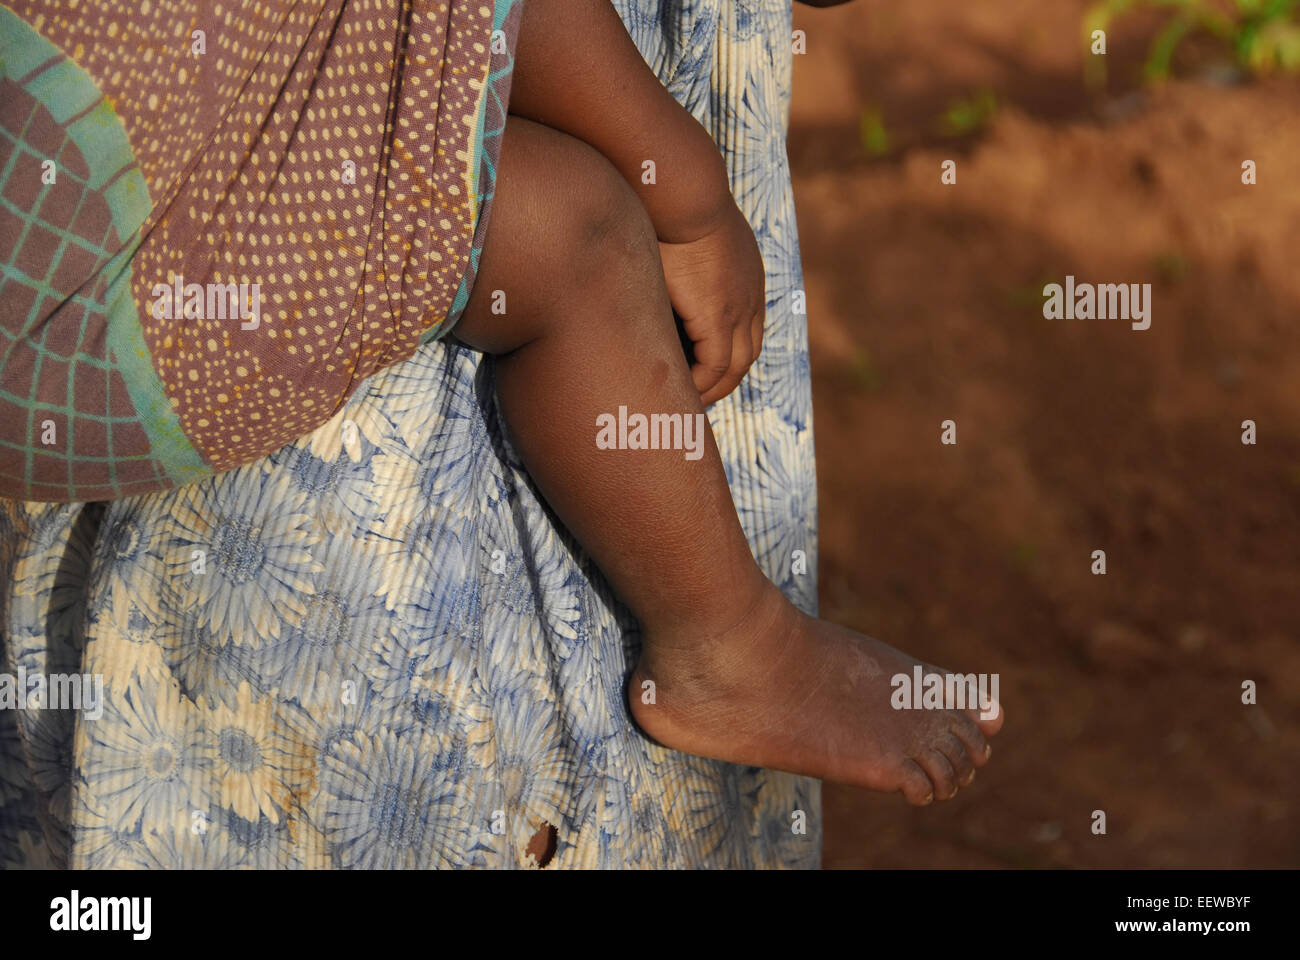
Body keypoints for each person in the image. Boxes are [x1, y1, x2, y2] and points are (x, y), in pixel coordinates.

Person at [1, 0, 998, 869]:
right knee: (584, 235)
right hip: (151, 280)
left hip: (57, 200)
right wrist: (688, 197)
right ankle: (729, 641)